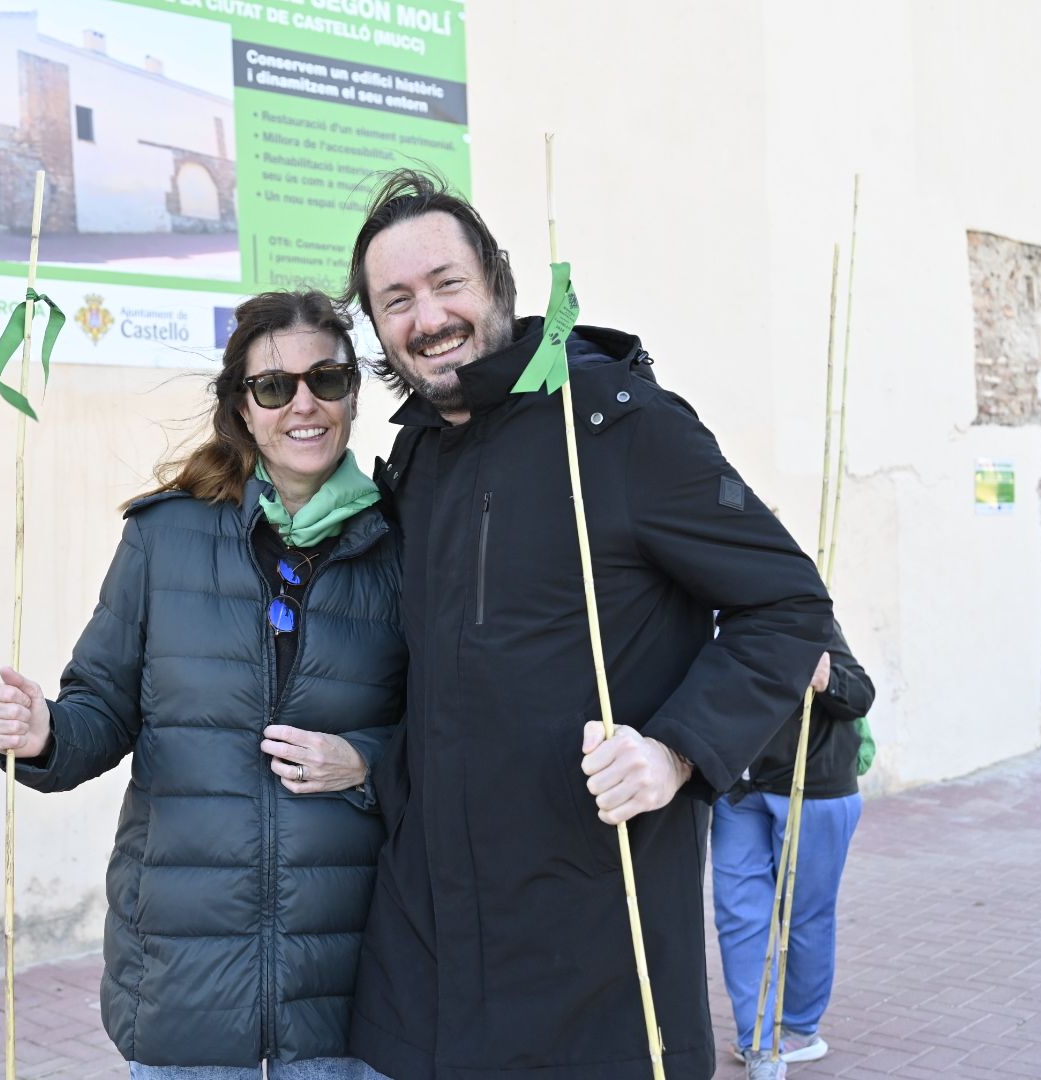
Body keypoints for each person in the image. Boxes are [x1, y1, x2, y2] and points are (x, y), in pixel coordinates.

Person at [339, 168, 835, 1080]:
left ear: (497, 280)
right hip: (431, 947)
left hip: (594, 946)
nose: (428, 316)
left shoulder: (623, 427)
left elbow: (789, 606)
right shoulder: (416, 458)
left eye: (448, 283)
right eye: (396, 299)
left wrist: (676, 751)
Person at [0, 290, 406, 1077]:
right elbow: (101, 705)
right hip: (187, 984)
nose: (303, 404)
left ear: (352, 391)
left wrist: (366, 762)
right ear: (243, 409)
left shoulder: (403, 543)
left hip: (352, 990)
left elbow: (448, 729)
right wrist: (46, 735)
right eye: (274, 387)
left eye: (328, 379)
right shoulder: (164, 535)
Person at [712, 621, 875, 1074]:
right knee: (738, 914)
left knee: (804, 915)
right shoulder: (701, 616)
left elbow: (860, 693)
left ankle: (800, 1029)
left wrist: (827, 680)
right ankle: (758, 1042)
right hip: (736, 787)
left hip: (814, 787)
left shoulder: (802, 610)